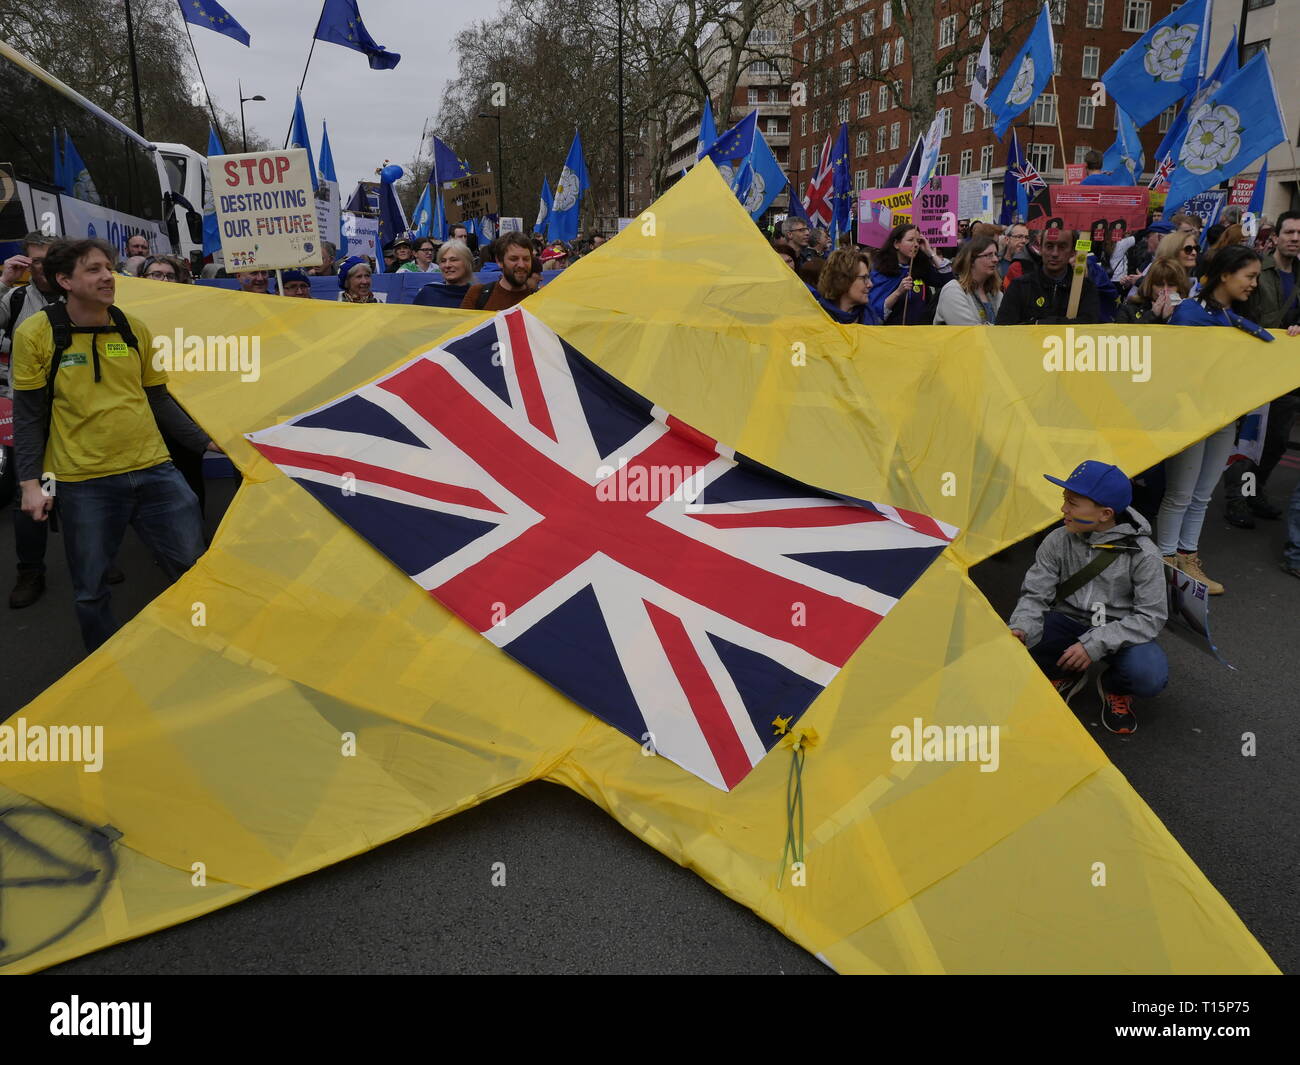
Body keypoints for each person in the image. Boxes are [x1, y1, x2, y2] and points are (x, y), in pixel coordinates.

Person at [11, 237, 217, 651]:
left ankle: (208, 648)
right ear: (65, 280)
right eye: (94, 269)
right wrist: (30, 484)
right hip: (82, 481)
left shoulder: (132, 327)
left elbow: (157, 398)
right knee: (90, 589)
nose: (108, 276)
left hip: (156, 471)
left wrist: (209, 443)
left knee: (196, 569)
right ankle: (106, 666)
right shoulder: (35, 333)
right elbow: (29, 416)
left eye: (109, 267)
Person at [1160, 245, 1292, 593]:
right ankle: (1163, 565)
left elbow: (1264, 351)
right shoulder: (1188, 314)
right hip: (1190, 418)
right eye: (1249, 276)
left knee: (1202, 494)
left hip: (1223, 417)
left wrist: (1289, 341)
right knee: (1180, 494)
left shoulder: (1239, 320)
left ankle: (1188, 560)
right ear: (1225, 274)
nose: (1253, 284)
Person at [1009, 461, 1168, 734]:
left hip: (1116, 629)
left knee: (1149, 675)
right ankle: (1066, 671)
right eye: (1064, 500)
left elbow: (1150, 617)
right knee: (1015, 647)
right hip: (1067, 619)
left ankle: (1114, 686)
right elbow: (1035, 595)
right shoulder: (1057, 539)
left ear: (1105, 513)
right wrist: (1021, 628)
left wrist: (1093, 644)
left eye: (1072, 503)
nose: (1063, 509)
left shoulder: (1145, 555)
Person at [1227, 211, 1300, 528]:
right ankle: (1237, 499)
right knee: (1249, 441)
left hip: (1287, 374)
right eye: (1289, 232)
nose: (1295, 238)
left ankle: (1256, 491)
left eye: (1299, 233)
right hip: (1255, 368)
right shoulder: (1257, 269)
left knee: (1277, 441)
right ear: (1277, 236)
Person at [2, 231, 61, 608]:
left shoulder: (82, 296)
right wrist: (3, 281)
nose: (45, 267)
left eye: (52, 259)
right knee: (32, 494)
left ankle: (96, 562)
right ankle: (31, 570)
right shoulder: (17, 297)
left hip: (75, 417)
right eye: (36, 260)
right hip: (29, 417)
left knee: (82, 493)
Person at [996, 227, 1100, 324]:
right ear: (1040, 248)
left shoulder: (1086, 289)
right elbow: (1003, 329)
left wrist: (1040, 323)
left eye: (1062, 247)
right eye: (1049, 246)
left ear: (1073, 251)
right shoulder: (1020, 286)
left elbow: (1089, 330)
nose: (1055, 253)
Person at [868, 223, 952, 325]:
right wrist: (898, 292)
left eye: (918, 241)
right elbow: (875, 314)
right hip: (891, 334)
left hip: (919, 334)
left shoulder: (920, 269)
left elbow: (948, 282)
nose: (916, 244)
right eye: (910, 240)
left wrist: (930, 252)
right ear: (896, 244)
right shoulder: (881, 271)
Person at [934, 236, 1002, 325]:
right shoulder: (953, 290)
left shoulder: (995, 293)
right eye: (989, 255)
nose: (995, 260)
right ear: (972, 260)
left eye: (996, 254)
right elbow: (968, 331)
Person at [460, 232, 533, 311]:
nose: (521, 265)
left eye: (526, 259)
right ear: (499, 261)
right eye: (514, 259)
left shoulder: (541, 299)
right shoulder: (476, 294)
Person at [814, 249, 880, 325]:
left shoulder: (870, 315)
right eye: (864, 278)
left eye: (869, 277)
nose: (870, 284)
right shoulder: (817, 320)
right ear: (842, 280)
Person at [1113, 258, 1188, 324]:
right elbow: (1127, 338)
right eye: (1159, 284)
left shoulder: (1187, 309)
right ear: (1150, 285)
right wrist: (1153, 316)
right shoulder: (1128, 309)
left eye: (1171, 285)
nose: (1165, 290)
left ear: (1179, 287)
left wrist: (1169, 319)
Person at [412, 240, 476, 308]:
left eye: (453, 260)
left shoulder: (478, 296)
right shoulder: (428, 293)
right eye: (443, 261)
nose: (447, 265)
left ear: (468, 263)